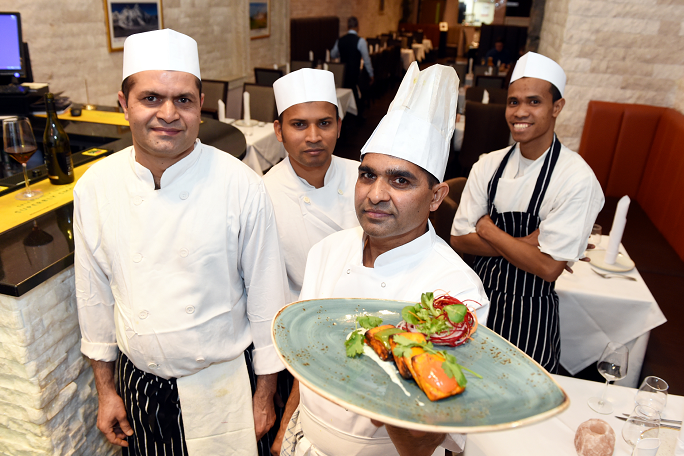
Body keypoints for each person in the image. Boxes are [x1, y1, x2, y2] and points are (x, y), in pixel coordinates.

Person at [74, 29, 289, 455]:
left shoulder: (241, 185)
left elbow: (268, 299)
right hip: (140, 387)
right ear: (124, 105)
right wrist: (105, 390)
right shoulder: (95, 186)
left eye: (183, 100)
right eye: (151, 98)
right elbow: (94, 295)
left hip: (226, 384)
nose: (168, 113)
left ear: (200, 106)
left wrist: (266, 397)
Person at [274, 63, 490, 456]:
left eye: (400, 180)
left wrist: (386, 377)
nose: (375, 194)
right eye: (367, 175)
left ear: (437, 196)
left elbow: (426, 442)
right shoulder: (328, 251)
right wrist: (286, 429)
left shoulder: (453, 294)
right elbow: (304, 363)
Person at [449, 52, 605, 374]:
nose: (520, 112)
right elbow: (459, 239)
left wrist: (489, 230)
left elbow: (548, 268)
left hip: (531, 319)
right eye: (513, 102)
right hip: (478, 305)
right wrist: (527, 244)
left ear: (556, 108)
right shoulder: (487, 165)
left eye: (534, 102)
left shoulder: (575, 178)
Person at [264, 69, 360, 303]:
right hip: (302, 310)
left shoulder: (363, 177)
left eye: (324, 123)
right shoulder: (263, 194)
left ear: (338, 126)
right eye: (299, 124)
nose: (314, 136)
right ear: (279, 130)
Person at [330, 16, 374, 115]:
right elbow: (366, 60)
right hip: (354, 73)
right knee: (355, 90)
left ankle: (345, 113)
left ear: (347, 26)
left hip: (343, 73)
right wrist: (371, 73)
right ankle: (357, 114)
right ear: (357, 27)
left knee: (347, 90)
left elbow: (333, 54)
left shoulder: (340, 40)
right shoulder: (360, 41)